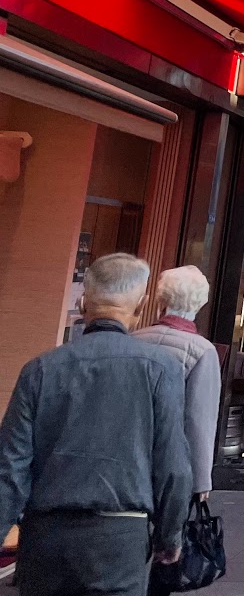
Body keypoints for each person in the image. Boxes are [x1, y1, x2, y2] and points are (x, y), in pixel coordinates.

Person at [0, 254, 189, 596]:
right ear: (141, 304)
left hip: (46, 536)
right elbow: (173, 466)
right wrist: (169, 535)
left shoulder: (40, 369)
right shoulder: (161, 368)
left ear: (84, 300)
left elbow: (10, 467)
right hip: (120, 538)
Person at [134, 265, 221, 499]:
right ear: (200, 303)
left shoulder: (133, 339)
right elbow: (199, 418)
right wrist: (201, 479)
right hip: (171, 460)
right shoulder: (202, 351)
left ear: (160, 299)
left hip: (125, 454)